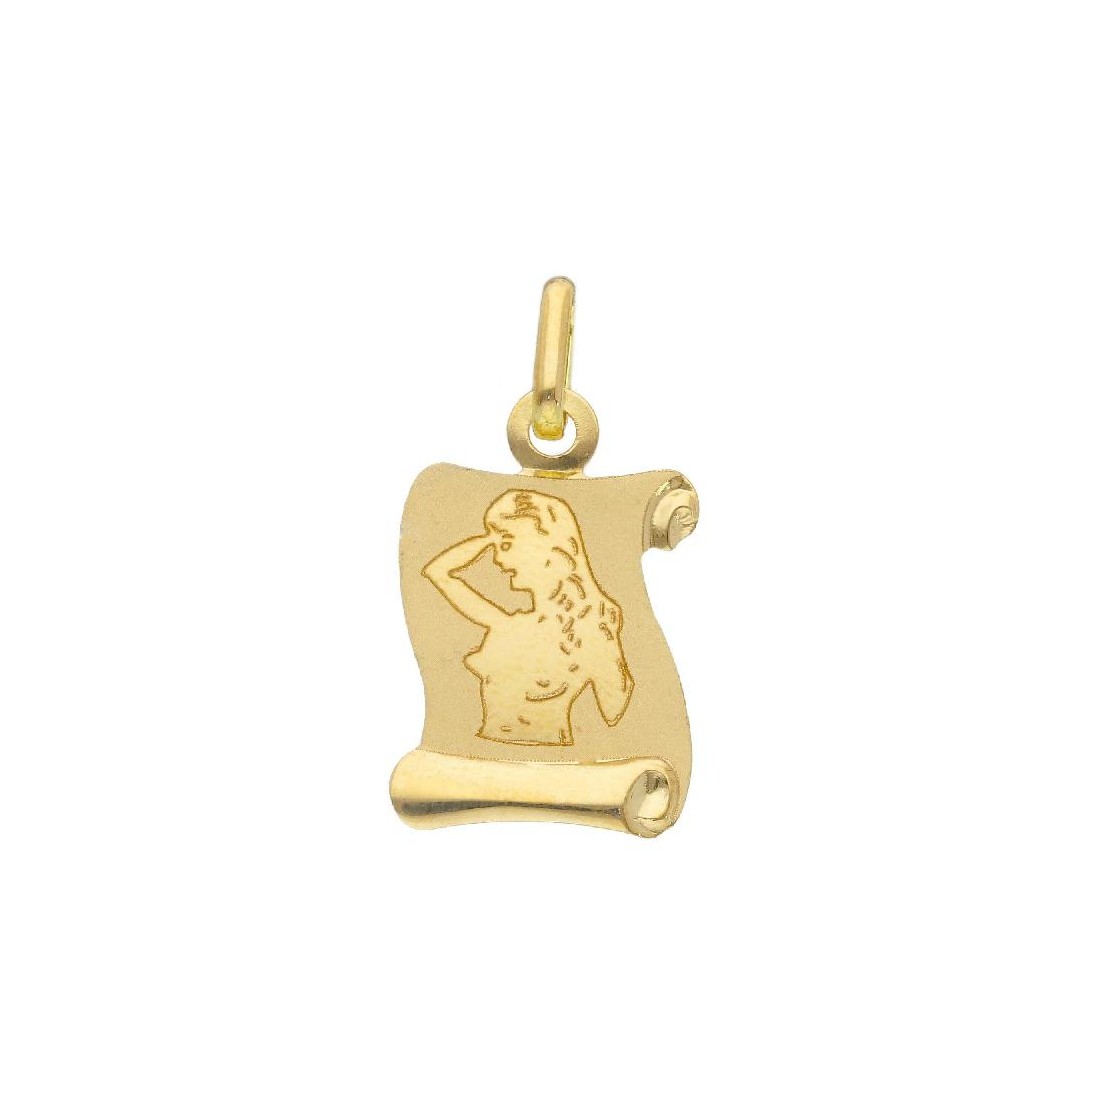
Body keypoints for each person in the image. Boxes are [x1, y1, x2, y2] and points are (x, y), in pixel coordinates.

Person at [422, 489, 633, 746]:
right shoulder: (507, 626)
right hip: (489, 756)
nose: (497, 559)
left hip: (552, 761)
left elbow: (615, 708)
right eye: (497, 547)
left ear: (546, 547)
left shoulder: (589, 629)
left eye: (507, 544)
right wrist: (489, 539)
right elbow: (438, 572)